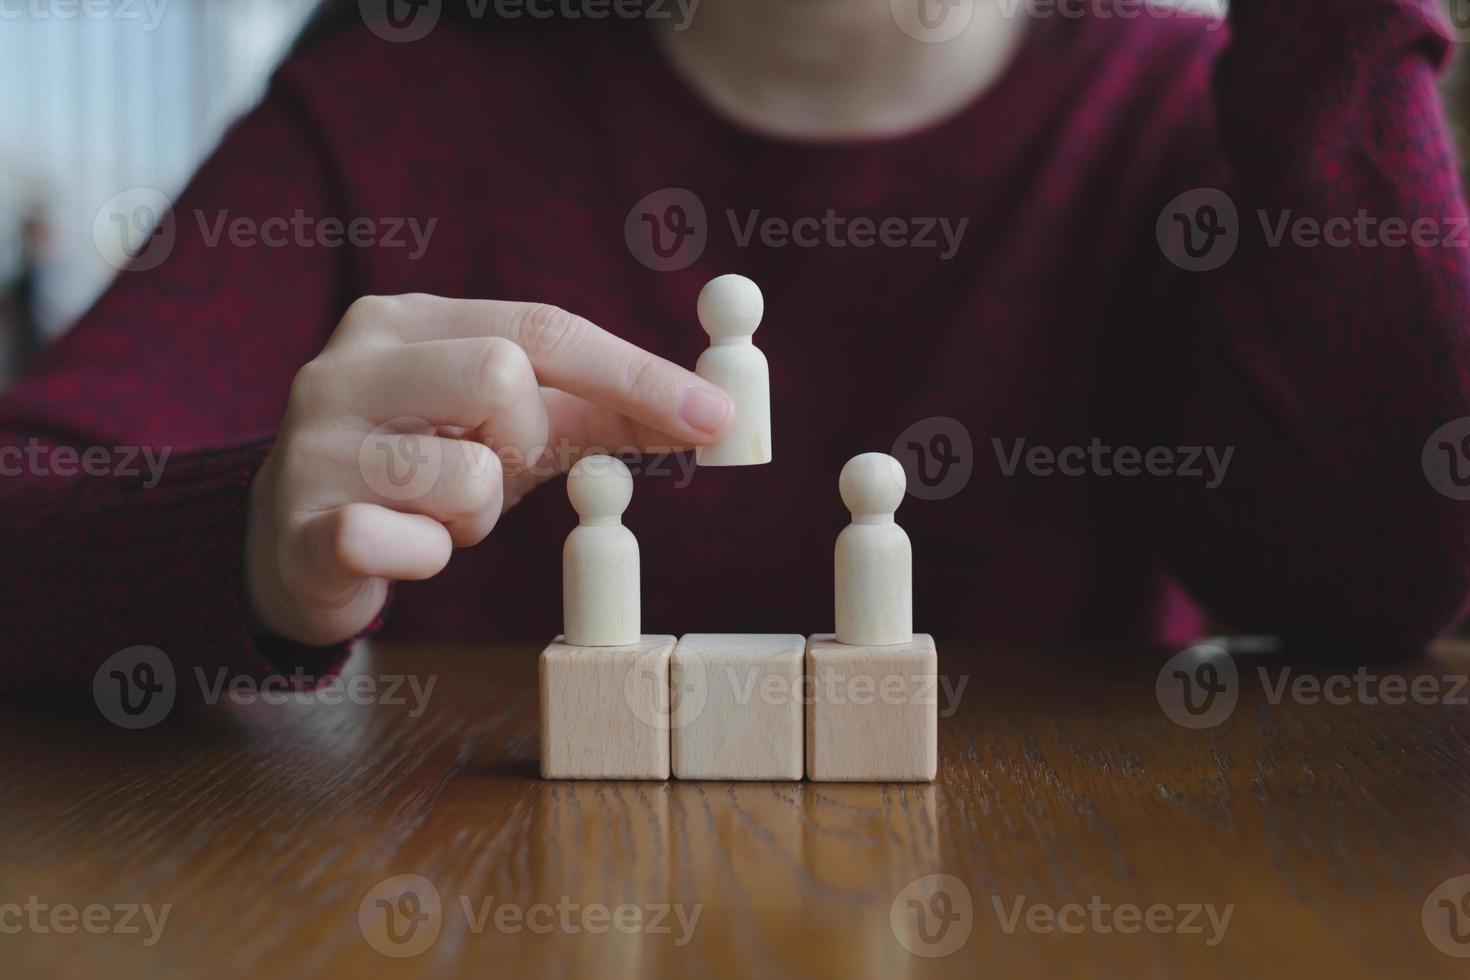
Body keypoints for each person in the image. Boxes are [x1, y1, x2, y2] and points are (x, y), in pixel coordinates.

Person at [2, 0, 1468, 695]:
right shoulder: (385, 103)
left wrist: (1329, 39)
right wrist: (246, 546)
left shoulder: (1192, 123)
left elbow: (1381, 577)